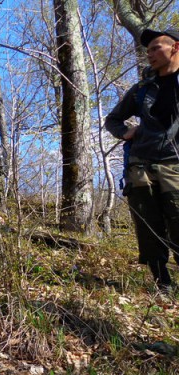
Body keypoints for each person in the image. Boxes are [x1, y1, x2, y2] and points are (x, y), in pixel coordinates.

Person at [105, 27, 179, 292]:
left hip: (175, 165)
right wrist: (126, 132)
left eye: (156, 48)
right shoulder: (141, 89)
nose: (150, 54)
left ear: (175, 48)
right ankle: (162, 285)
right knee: (148, 226)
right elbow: (111, 119)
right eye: (147, 50)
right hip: (141, 165)